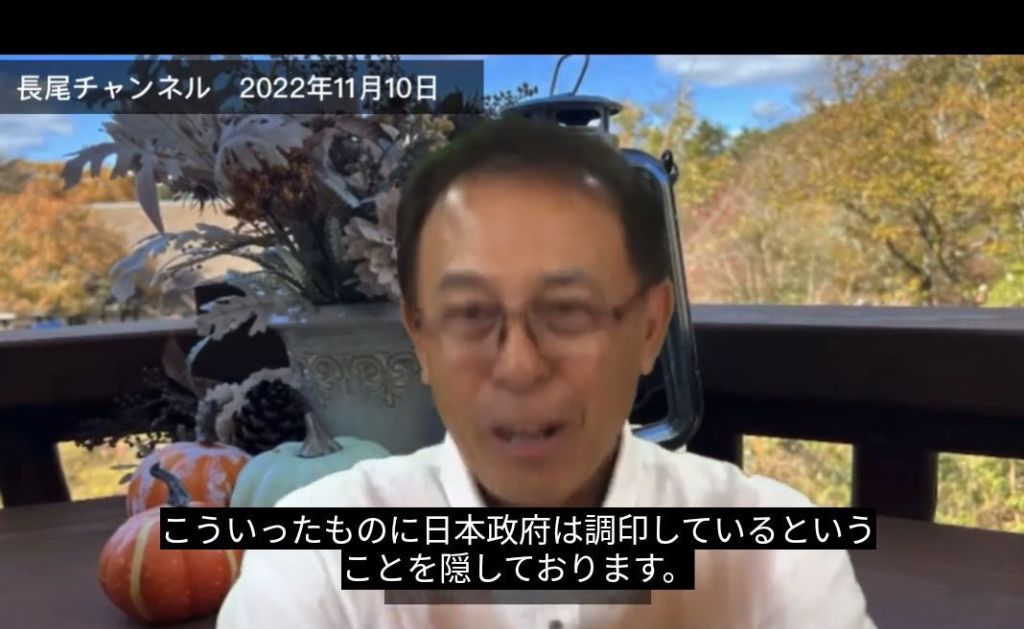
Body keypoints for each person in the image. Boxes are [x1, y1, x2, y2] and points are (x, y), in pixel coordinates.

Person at [217, 117, 876, 628]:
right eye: (470, 314)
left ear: (649, 327)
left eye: (567, 311)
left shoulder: (774, 559)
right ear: (421, 338)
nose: (520, 366)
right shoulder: (318, 560)